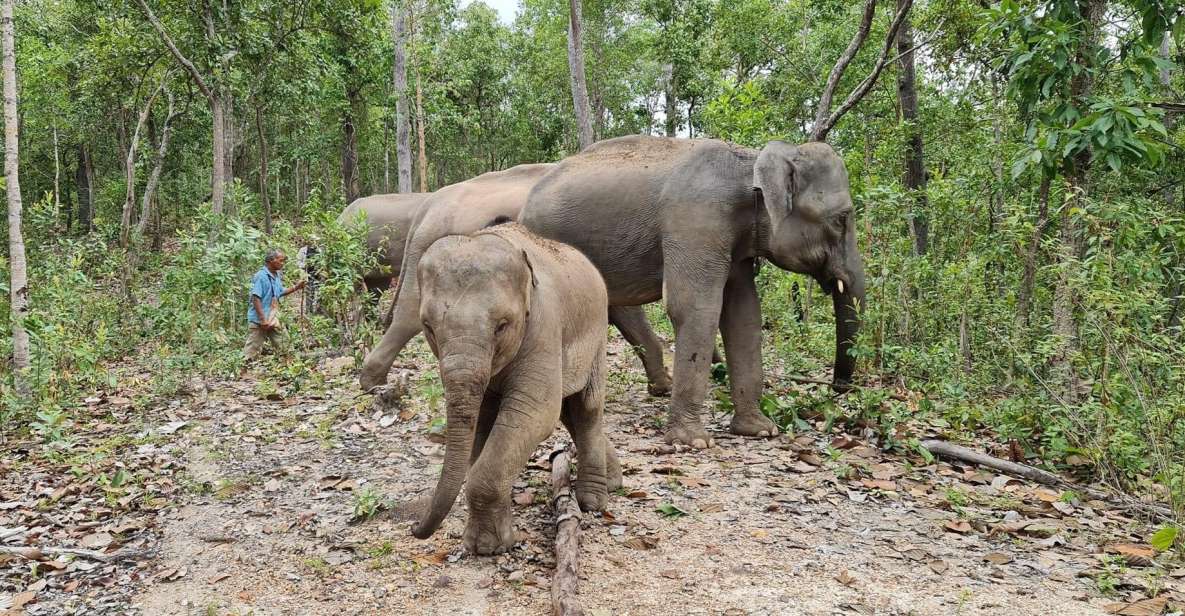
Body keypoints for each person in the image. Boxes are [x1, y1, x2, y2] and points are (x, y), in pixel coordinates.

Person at [244, 249, 306, 361]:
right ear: (271, 261)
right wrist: (263, 319)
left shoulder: (276, 276)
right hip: (259, 319)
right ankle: (242, 371)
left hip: (273, 316)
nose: (282, 264)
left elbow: (279, 292)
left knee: (284, 343)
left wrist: (296, 287)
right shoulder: (261, 276)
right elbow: (256, 297)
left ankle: (290, 367)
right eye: (280, 261)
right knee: (252, 349)